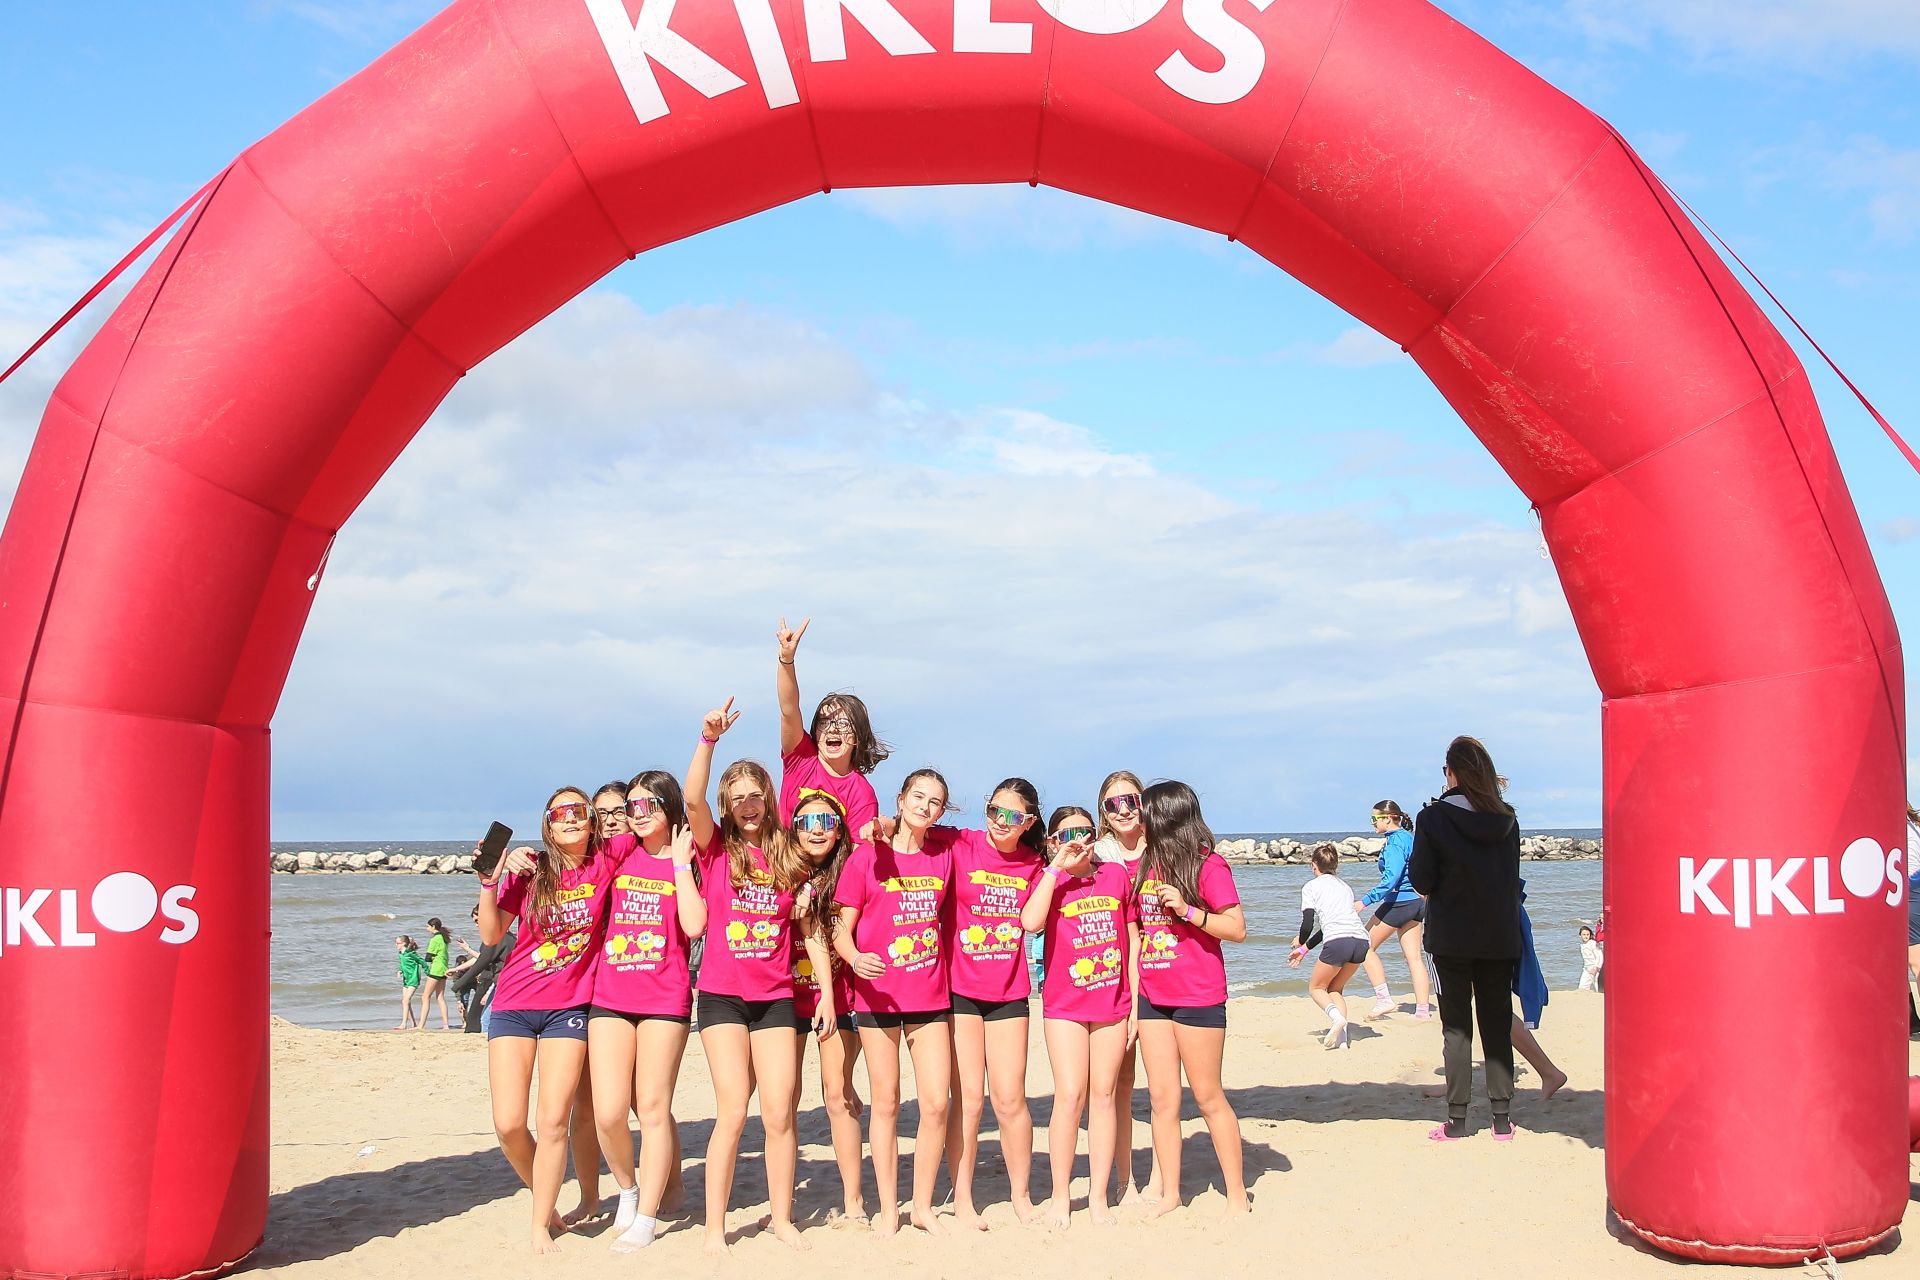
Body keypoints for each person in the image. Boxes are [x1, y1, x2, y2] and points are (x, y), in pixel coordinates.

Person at [686, 701, 812, 1255]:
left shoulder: (788, 855)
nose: (748, 805)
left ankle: (781, 1218)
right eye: (737, 798)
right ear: (727, 807)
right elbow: (691, 800)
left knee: (780, 1111)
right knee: (734, 1110)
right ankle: (715, 1228)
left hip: (776, 996)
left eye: (755, 794)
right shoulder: (716, 850)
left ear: (769, 798)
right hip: (722, 998)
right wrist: (707, 740)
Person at [477, 787, 615, 1254]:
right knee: (509, 1124)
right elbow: (492, 933)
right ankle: (547, 1197)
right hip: (514, 1003)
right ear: (548, 826)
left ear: (592, 821)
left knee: (553, 1120)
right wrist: (489, 880)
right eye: (560, 814)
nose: (570, 819)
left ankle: (540, 1223)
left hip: (568, 1009)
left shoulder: (605, 863)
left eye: (579, 811)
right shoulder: (531, 869)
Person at [834, 768, 956, 1237]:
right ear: (901, 799)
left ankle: (922, 1206)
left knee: (936, 1103)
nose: (925, 806)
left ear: (941, 811)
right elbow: (840, 926)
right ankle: (889, 1209)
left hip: (929, 995)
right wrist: (854, 957)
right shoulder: (867, 856)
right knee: (885, 1103)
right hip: (877, 997)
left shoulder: (943, 853)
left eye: (935, 801)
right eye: (918, 796)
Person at [587, 771, 704, 1253]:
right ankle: (628, 1189)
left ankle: (648, 1217)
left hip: (664, 999)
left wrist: (679, 866)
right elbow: (569, 867)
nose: (635, 814)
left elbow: (694, 926)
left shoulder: (689, 856)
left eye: (646, 805)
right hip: (611, 998)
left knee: (653, 1109)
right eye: (629, 807)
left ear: (668, 806)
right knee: (609, 1112)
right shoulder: (618, 852)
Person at [1132, 781, 1249, 1219]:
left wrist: (1188, 911)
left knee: (1207, 1096)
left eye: (1145, 812)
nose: (1139, 819)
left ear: (1165, 817)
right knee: (1162, 1101)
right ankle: (1171, 1195)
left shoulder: (1208, 865)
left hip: (1198, 996)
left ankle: (1237, 1195)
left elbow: (1236, 929)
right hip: (1153, 996)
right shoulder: (1148, 864)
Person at [1021, 805, 1138, 1230]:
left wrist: (1135, 1002)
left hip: (1112, 1002)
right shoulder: (1048, 879)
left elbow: (1132, 940)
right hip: (1065, 1004)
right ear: (1052, 840)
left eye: (1085, 832)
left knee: (1103, 1096)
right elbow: (1030, 922)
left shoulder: (1116, 875)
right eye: (1067, 834)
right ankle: (1060, 1197)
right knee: (1070, 1095)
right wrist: (1056, 867)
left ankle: (1099, 1197)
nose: (1078, 841)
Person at [941, 776, 1047, 1230]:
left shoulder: (1035, 864)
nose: (1000, 821)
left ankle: (1021, 1195)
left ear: (1029, 822)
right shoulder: (961, 843)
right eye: (993, 810)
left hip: (1008, 993)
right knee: (967, 1101)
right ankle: (962, 1197)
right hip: (959, 991)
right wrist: (881, 827)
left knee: (1009, 1100)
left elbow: (1040, 919)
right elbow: (910, 833)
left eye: (1012, 815)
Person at [1408, 735, 1523, 1143]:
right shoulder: (1506, 819)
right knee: (1497, 1023)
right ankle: (1501, 1120)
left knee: (1456, 1029)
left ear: (1452, 772)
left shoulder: (1433, 817)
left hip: (1451, 938)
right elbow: (1511, 879)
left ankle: (1457, 1121)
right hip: (1499, 936)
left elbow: (1422, 879)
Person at [789, 792, 866, 1223]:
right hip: (785, 997)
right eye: (806, 822)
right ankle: (783, 1199)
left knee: (836, 1093)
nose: (817, 830)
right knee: (785, 1098)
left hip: (840, 995)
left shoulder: (853, 867)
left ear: (839, 830)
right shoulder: (779, 869)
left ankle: (853, 1199)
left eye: (826, 821)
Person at [1091, 769, 1155, 1205]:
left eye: (1131, 800)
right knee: (1120, 1084)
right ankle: (1124, 1179)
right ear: (1103, 812)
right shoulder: (1098, 854)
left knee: (1165, 1087)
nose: (1124, 810)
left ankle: (1163, 1180)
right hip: (1117, 979)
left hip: (1166, 972)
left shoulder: (1165, 847)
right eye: (1113, 804)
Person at [776, 616, 888, 836]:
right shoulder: (801, 760)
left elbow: (857, 851)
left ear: (858, 735)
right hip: (784, 855)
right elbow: (789, 710)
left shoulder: (861, 793)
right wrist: (786, 660)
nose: (833, 729)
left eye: (843, 723)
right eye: (824, 722)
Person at [1287, 843, 1370, 1049]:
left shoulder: (1311, 886)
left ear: (1313, 865)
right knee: (1335, 989)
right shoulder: (1345, 887)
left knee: (1316, 988)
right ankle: (1342, 1042)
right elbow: (1327, 928)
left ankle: (1337, 1019)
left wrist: (1300, 941)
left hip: (1338, 942)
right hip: (1361, 941)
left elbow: (1308, 923)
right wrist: (1305, 949)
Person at [1355, 801, 1432, 1020]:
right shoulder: (1409, 837)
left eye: (1374, 819)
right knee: (1414, 958)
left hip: (1399, 902)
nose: (1372, 823)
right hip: (1417, 903)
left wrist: (1365, 901)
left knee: (1363, 946)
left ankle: (1384, 999)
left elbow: (1391, 879)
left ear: (1388, 818)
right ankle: (1423, 1011)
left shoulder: (1396, 842)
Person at [420, 916, 454, 1031]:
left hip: (436, 970)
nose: (427, 929)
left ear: (433, 927)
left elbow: (428, 957)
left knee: (425, 996)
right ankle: (446, 1025)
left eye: (428, 926)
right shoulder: (444, 939)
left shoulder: (435, 939)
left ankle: (421, 1025)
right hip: (444, 969)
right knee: (440, 997)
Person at [1906, 804, 1920, 1038]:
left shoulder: (1895, 823)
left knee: (1915, 962)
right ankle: (1912, 1022)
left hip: (1906, 890)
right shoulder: (1913, 825)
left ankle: (1912, 1022)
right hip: (1914, 888)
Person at [395, 935, 423, 1029]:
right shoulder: (401, 953)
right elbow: (403, 964)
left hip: (413, 979)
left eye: (398, 943)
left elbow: (421, 962)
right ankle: (413, 1023)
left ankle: (403, 1024)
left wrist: (427, 972)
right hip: (406, 980)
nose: (396, 945)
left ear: (404, 944)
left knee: (405, 1001)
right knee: (406, 1002)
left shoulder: (411, 953)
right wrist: (400, 970)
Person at [1577, 925, 1603, 991]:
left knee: (1597, 986)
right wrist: (1586, 968)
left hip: (1594, 968)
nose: (1586, 936)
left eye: (1587, 934)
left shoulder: (1592, 943)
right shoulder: (1582, 945)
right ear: (1580, 936)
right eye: (1584, 934)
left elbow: (1599, 955)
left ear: (1590, 935)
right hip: (1586, 968)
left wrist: (1596, 967)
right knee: (1582, 987)